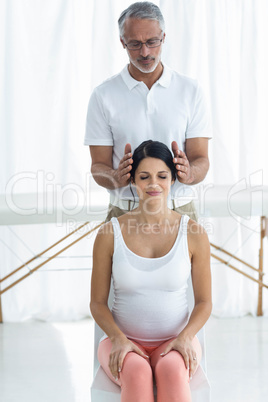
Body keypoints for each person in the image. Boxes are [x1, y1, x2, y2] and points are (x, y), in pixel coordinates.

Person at [90, 140, 212, 402]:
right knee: (136, 372)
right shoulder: (109, 233)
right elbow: (97, 303)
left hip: (177, 340)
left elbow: (204, 302)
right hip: (121, 340)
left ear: (172, 180)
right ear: (133, 181)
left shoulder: (194, 233)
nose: (153, 184)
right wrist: (118, 339)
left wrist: (185, 338)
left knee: (172, 370)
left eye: (162, 176)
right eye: (144, 177)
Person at [84, 1, 212, 222]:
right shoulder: (103, 95)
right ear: (122, 42)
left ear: (163, 37)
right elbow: (98, 167)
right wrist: (115, 176)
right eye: (135, 43)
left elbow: (201, 159)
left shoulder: (191, 91)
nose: (145, 52)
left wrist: (190, 173)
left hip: (179, 209)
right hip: (125, 210)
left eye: (152, 42)